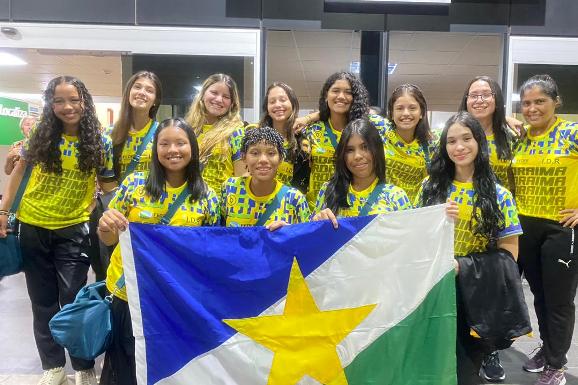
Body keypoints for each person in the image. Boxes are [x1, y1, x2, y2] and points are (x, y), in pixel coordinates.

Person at [0, 76, 115, 385]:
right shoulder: (42, 133)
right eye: (60, 100)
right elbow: (19, 170)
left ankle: (83, 365)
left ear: (84, 102)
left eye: (74, 100)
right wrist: (3, 210)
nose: (67, 107)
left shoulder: (99, 141)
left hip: (74, 230)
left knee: (74, 300)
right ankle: (53, 366)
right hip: (33, 226)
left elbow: (108, 187)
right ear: (51, 104)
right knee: (42, 301)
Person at [98, 118, 220, 385]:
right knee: (126, 368)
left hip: (176, 299)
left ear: (193, 148)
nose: (172, 150)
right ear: (155, 149)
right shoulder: (133, 185)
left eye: (180, 143)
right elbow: (107, 240)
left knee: (170, 368)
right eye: (164, 143)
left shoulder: (208, 196)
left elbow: (209, 253)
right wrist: (105, 224)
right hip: (129, 294)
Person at [416, 111, 522, 385]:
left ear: (479, 143)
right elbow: (414, 240)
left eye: (466, 138)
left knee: (464, 368)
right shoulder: (429, 188)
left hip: (474, 297)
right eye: (451, 141)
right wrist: (435, 218)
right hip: (433, 290)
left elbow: (509, 256)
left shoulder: (499, 195)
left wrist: (463, 266)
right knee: (429, 364)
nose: (459, 147)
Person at [513, 74, 578, 385]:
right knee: (538, 296)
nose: (532, 108)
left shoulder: (572, 133)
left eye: (540, 101)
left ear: (556, 102)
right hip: (525, 228)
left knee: (559, 300)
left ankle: (557, 364)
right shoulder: (519, 137)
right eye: (526, 103)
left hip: (560, 228)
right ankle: (549, 348)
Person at [88, 71, 163, 281]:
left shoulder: (161, 134)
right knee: (111, 272)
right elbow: (106, 180)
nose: (142, 93)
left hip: (151, 214)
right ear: (128, 92)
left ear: (156, 100)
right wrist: (122, 210)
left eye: (149, 90)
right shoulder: (109, 135)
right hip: (116, 214)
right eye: (137, 87)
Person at [301, 72, 386, 207]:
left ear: (355, 97)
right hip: (318, 207)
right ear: (326, 95)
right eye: (335, 91)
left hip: (354, 205)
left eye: (348, 92)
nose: (341, 96)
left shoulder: (371, 125)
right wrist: (309, 118)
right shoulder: (311, 130)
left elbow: (402, 123)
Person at [313, 118, 411, 226]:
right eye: (350, 150)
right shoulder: (328, 190)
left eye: (365, 147)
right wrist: (316, 223)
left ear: (377, 149)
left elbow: (407, 238)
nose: (357, 156)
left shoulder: (396, 196)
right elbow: (311, 237)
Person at [221, 127, 310, 229]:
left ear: (281, 158)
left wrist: (289, 232)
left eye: (271, 153)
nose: (263, 160)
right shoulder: (230, 188)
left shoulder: (294, 199)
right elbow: (220, 234)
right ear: (243, 157)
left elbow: (306, 240)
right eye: (255, 153)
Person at [185, 73, 246, 194]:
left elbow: (241, 178)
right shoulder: (188, 129)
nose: (219, 99)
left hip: (219, 207)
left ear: (232, 103)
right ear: (202, 95)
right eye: (214, 93)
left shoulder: (236, 132)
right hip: (188, 205)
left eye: (226, 96)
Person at [459, 76, 517, 196]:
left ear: (497, 100)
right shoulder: (453, 136)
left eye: (486, 94)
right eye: (473, 96)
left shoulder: (511, 138)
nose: (479, 100)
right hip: (459, 208)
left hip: (499, 208)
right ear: (466, 100)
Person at [382, 84, 436, 203]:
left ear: (421, 112)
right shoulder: (379, 133)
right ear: (391, 113)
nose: (406, 113)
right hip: (384, 210)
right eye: (400, 108)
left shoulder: (432, 144)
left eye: (412, 108)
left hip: (416, 214)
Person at [258, 82, 309, 193]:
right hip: (258, 202)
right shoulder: (256, 135)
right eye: (272, 102)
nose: (277, 105)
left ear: (293, 104)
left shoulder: (302, 141)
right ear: (267, 107)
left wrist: (309, 118)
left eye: (282, 100)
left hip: (290, 204)